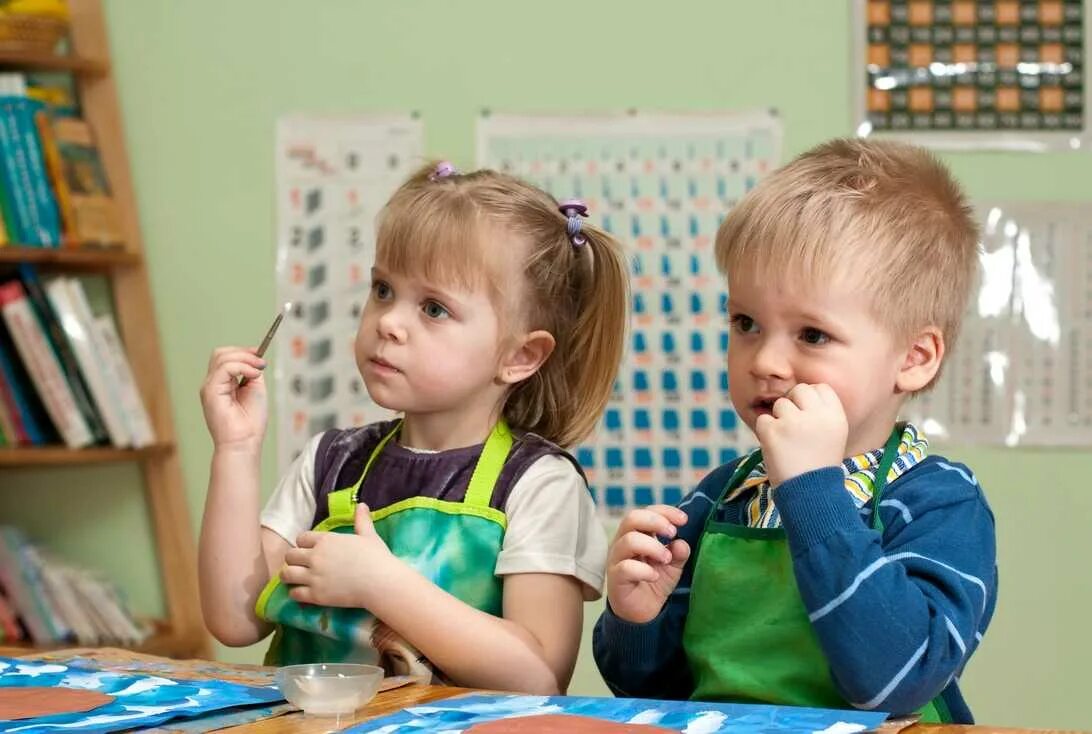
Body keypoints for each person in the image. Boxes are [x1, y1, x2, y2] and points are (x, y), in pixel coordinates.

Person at [595, 138, 998, 723]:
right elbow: (651, 694)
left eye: (812, 335)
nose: (765, 361)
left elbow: (895, 680)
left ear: (914, 357)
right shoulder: (723, 495)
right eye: (746, 323)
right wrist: (635, 618)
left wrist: (813, 491)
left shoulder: (941, 503)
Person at [200, 161, 627, 695]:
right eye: (382, 289)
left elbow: (535, 677)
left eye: (433, 308)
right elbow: (235, 620)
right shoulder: (330, 461)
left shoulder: (539, 484)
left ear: (520, 356)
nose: (388, 322)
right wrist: (236, 450)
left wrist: (382, 585)